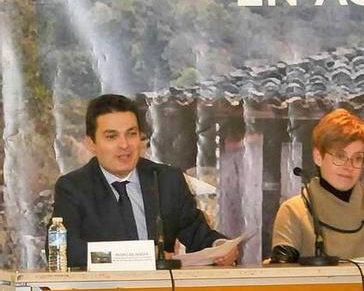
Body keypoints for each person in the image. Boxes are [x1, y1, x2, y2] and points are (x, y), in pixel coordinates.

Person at [52, 94, 238, 268]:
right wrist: (143, 256)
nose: (124, 145)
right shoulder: (74, 188)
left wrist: (221, 246)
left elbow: (199, 235)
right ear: (91, 143)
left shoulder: (166, 180)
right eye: (112, 136)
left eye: (131, 134)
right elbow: (66, 251)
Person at [271, 109, 364, 261]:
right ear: (318, 156)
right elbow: (282, 277)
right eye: (340, 156)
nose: (348, 166)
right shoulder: (294, 211)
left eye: (357, 158)